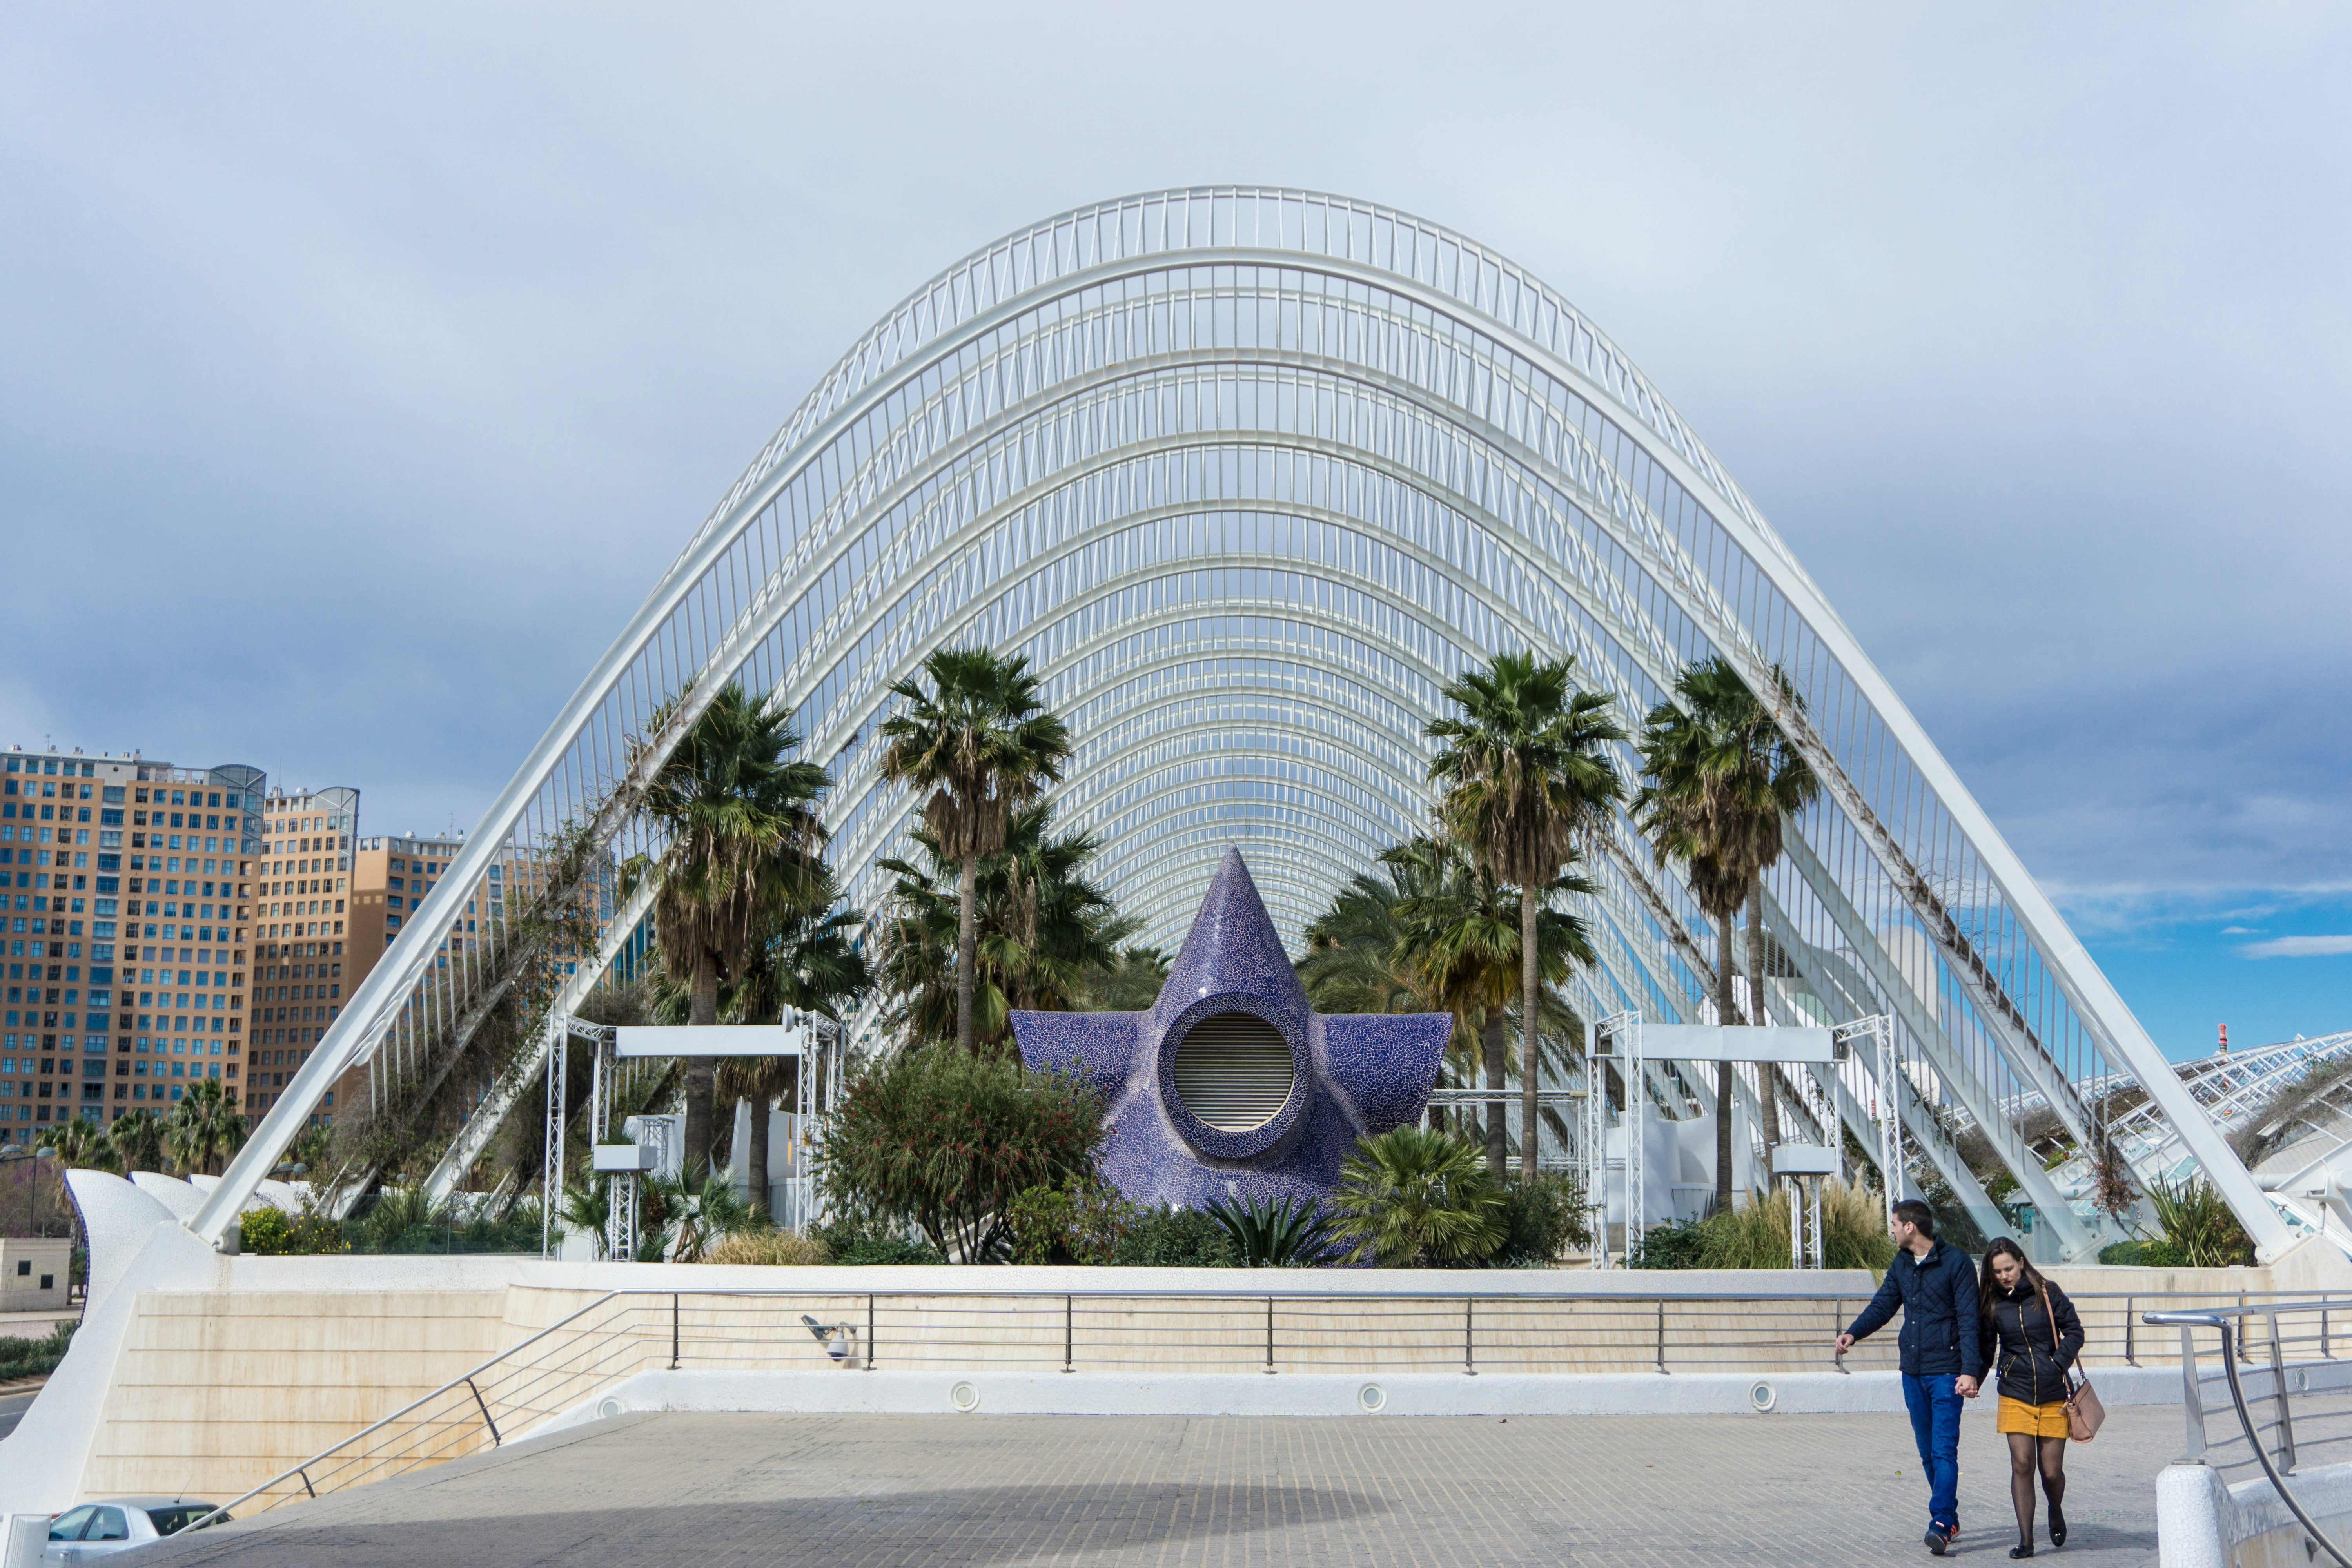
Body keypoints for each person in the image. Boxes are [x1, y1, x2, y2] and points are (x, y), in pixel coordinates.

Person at [1835, 1199, 1980, 1555]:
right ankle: (1950, 1516)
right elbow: (1884, 1305)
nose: (1892, 1230)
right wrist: (1854, 1333)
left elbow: (1969, 1319)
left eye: (1895, 1224)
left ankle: (1942, 1523)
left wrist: (1970, 1371)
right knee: (1928, 1452)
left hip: (1947, 1371)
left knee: (1944, 1450)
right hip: (1912, 1371)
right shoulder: (1902, 1263)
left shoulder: (1956, 1262)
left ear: (1911, 1227)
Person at [1967, 1238, 2083, 1557]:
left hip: (2053, 1392)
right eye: (1997, 1272)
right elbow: (1987, 1348)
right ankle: (2027, 1541)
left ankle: (2055, 1508)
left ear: (2021, 1262)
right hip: (2015, 1392)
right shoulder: (1991, 1302)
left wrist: (2057, 1363)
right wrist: (1975, 1380)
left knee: (2051, 1472)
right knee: (2022, 1464)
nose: (2005, 1275)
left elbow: (2075, 1332)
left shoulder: (2048, 1292)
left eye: (2009, 1268)